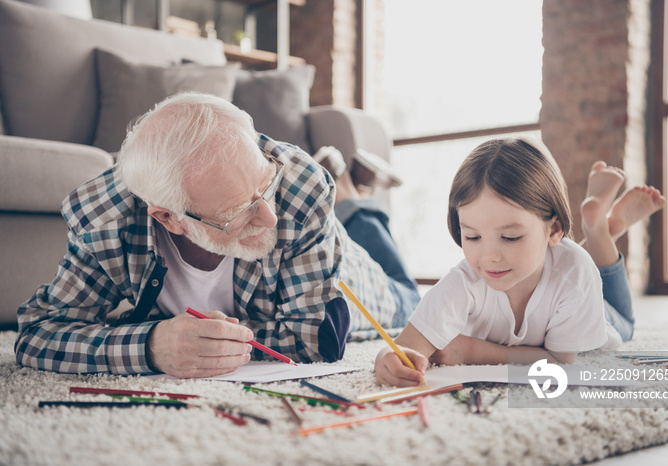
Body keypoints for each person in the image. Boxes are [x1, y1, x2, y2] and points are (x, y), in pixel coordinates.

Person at [15, 92, 419, 378]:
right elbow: (36, 335)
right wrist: (153, 345)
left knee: (408, 297)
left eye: (266, 185)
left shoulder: (299, 187)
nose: (270, 217)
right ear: (170, 219)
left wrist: (203, 341)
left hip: (357, 277)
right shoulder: (104, 223)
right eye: (240, 213)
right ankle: (351, 200)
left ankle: (353, 198)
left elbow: (318, 342)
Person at [374, 137, 666, 387]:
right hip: (558, 263)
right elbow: (405, 344)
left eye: (511, 237)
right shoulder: (463, 283)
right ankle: (603, 228)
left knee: (625, 325)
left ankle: (600, 230)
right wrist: (388, 358)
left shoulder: (575, 275)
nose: (489, 256)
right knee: (562, 259)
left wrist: (470, 349)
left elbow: (557, 361)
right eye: (473, 237)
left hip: (594, 307)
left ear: (553, 229)